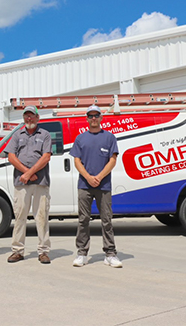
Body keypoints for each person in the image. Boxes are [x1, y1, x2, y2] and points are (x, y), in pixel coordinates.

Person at [70, 105, 122, 268]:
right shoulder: (80, 139)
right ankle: (82, 253)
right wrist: (88, 177)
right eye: (90, 116)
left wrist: (99, 177)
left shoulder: (109, 137)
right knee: (83, 220)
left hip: (103, 185)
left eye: (96, 115)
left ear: (101, 118)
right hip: (84, 185)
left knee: (106, 220)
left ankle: (110, 254)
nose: (93, 118)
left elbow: (112, 160)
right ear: (86, 118)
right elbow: (77, 160)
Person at [4, 106, 53, 264]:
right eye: (26, 116)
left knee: (42, 217)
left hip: (41, 182)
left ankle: (43, 251)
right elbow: (11, 157)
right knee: (20, 217)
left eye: (32, 116)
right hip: (21, 182)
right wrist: (26, 173)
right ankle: (17, 251)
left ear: (37, 118)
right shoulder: (17, 135)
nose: (29, 119)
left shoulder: (44, 135)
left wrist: (29, 174)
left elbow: (46, 157)